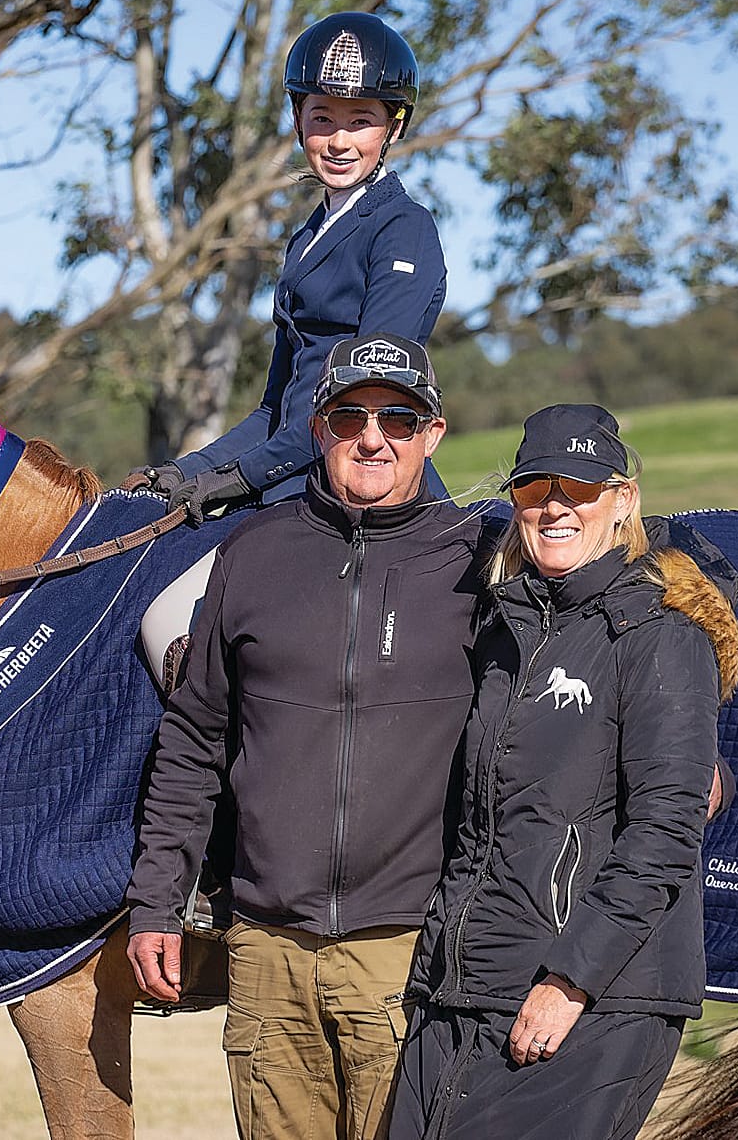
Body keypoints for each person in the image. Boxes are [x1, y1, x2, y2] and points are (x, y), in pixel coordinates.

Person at [126, 333, 486, 1140]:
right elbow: (193, 739)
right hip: (266, 952)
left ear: (431, 434)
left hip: (408, 951)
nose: (373, 436)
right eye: (350, 414)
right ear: (318, 428)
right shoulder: (253, 553)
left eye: (399, 418)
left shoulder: (477, 561)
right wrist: (155, 900)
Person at [391, 404, 738, 1140]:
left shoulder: (659, 636)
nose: (554, 506)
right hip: (464, 985)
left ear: (621, 501)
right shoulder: (505, 631)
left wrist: (569, 979)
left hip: (589, 998)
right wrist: (435, 978)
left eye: (578, 488)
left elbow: (665, 830)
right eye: (533, 487)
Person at [129, 11, 449, 522]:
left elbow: (363, 396)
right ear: (299, 120)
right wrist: (189, 470)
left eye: (360, 120)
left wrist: (240, 479)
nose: (338, 142)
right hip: (293, 473)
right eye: (322, 118)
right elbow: (274, 410)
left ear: (394, 125)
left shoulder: (403, 228)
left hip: (356, 480)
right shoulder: (306, 238)